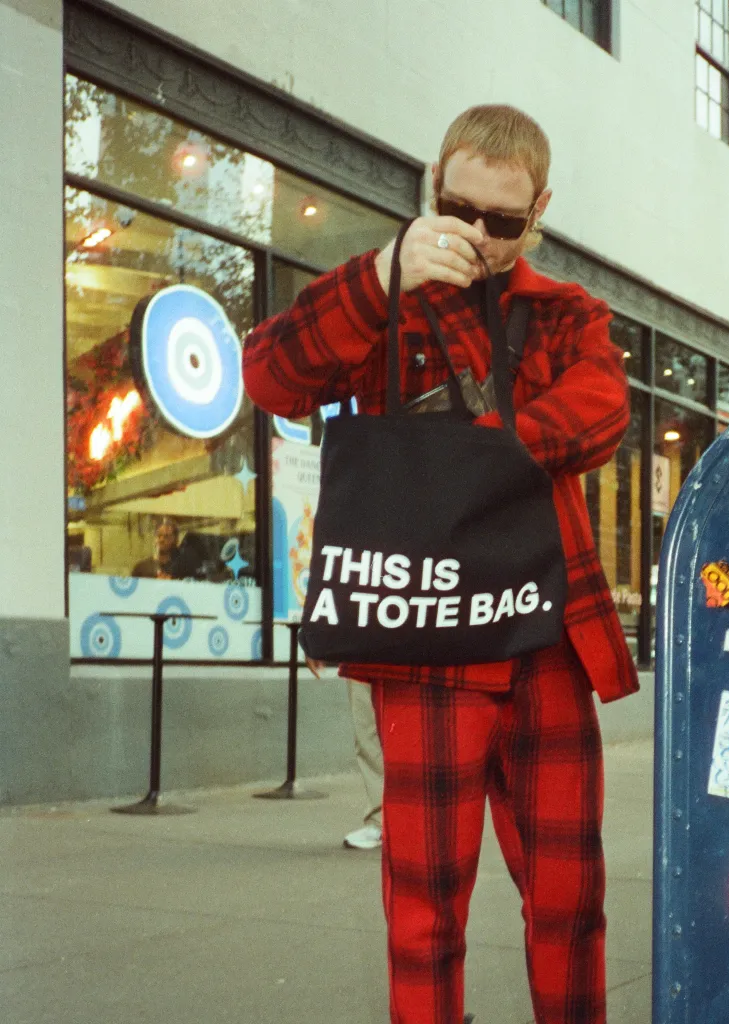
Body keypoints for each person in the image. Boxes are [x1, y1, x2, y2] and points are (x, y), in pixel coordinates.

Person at [243, 104, 639, 1024]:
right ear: (433, 183)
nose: (475, 234)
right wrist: (382, 275)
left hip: (544, 632)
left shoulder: (565, 312)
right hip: (423, 636)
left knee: (572, 901)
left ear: (538, 211)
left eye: (502, 221)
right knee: (423, 914)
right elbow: (269, 377)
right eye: (456, 208)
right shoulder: (380, 301)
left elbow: (602, 411)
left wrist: (479, 454)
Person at [308, 658, 385, 851]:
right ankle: (381, 823)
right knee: (367, 733)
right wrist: (316, 640)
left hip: (413, 642)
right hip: (362, 646)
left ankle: (413, 821)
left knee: (412, 730)